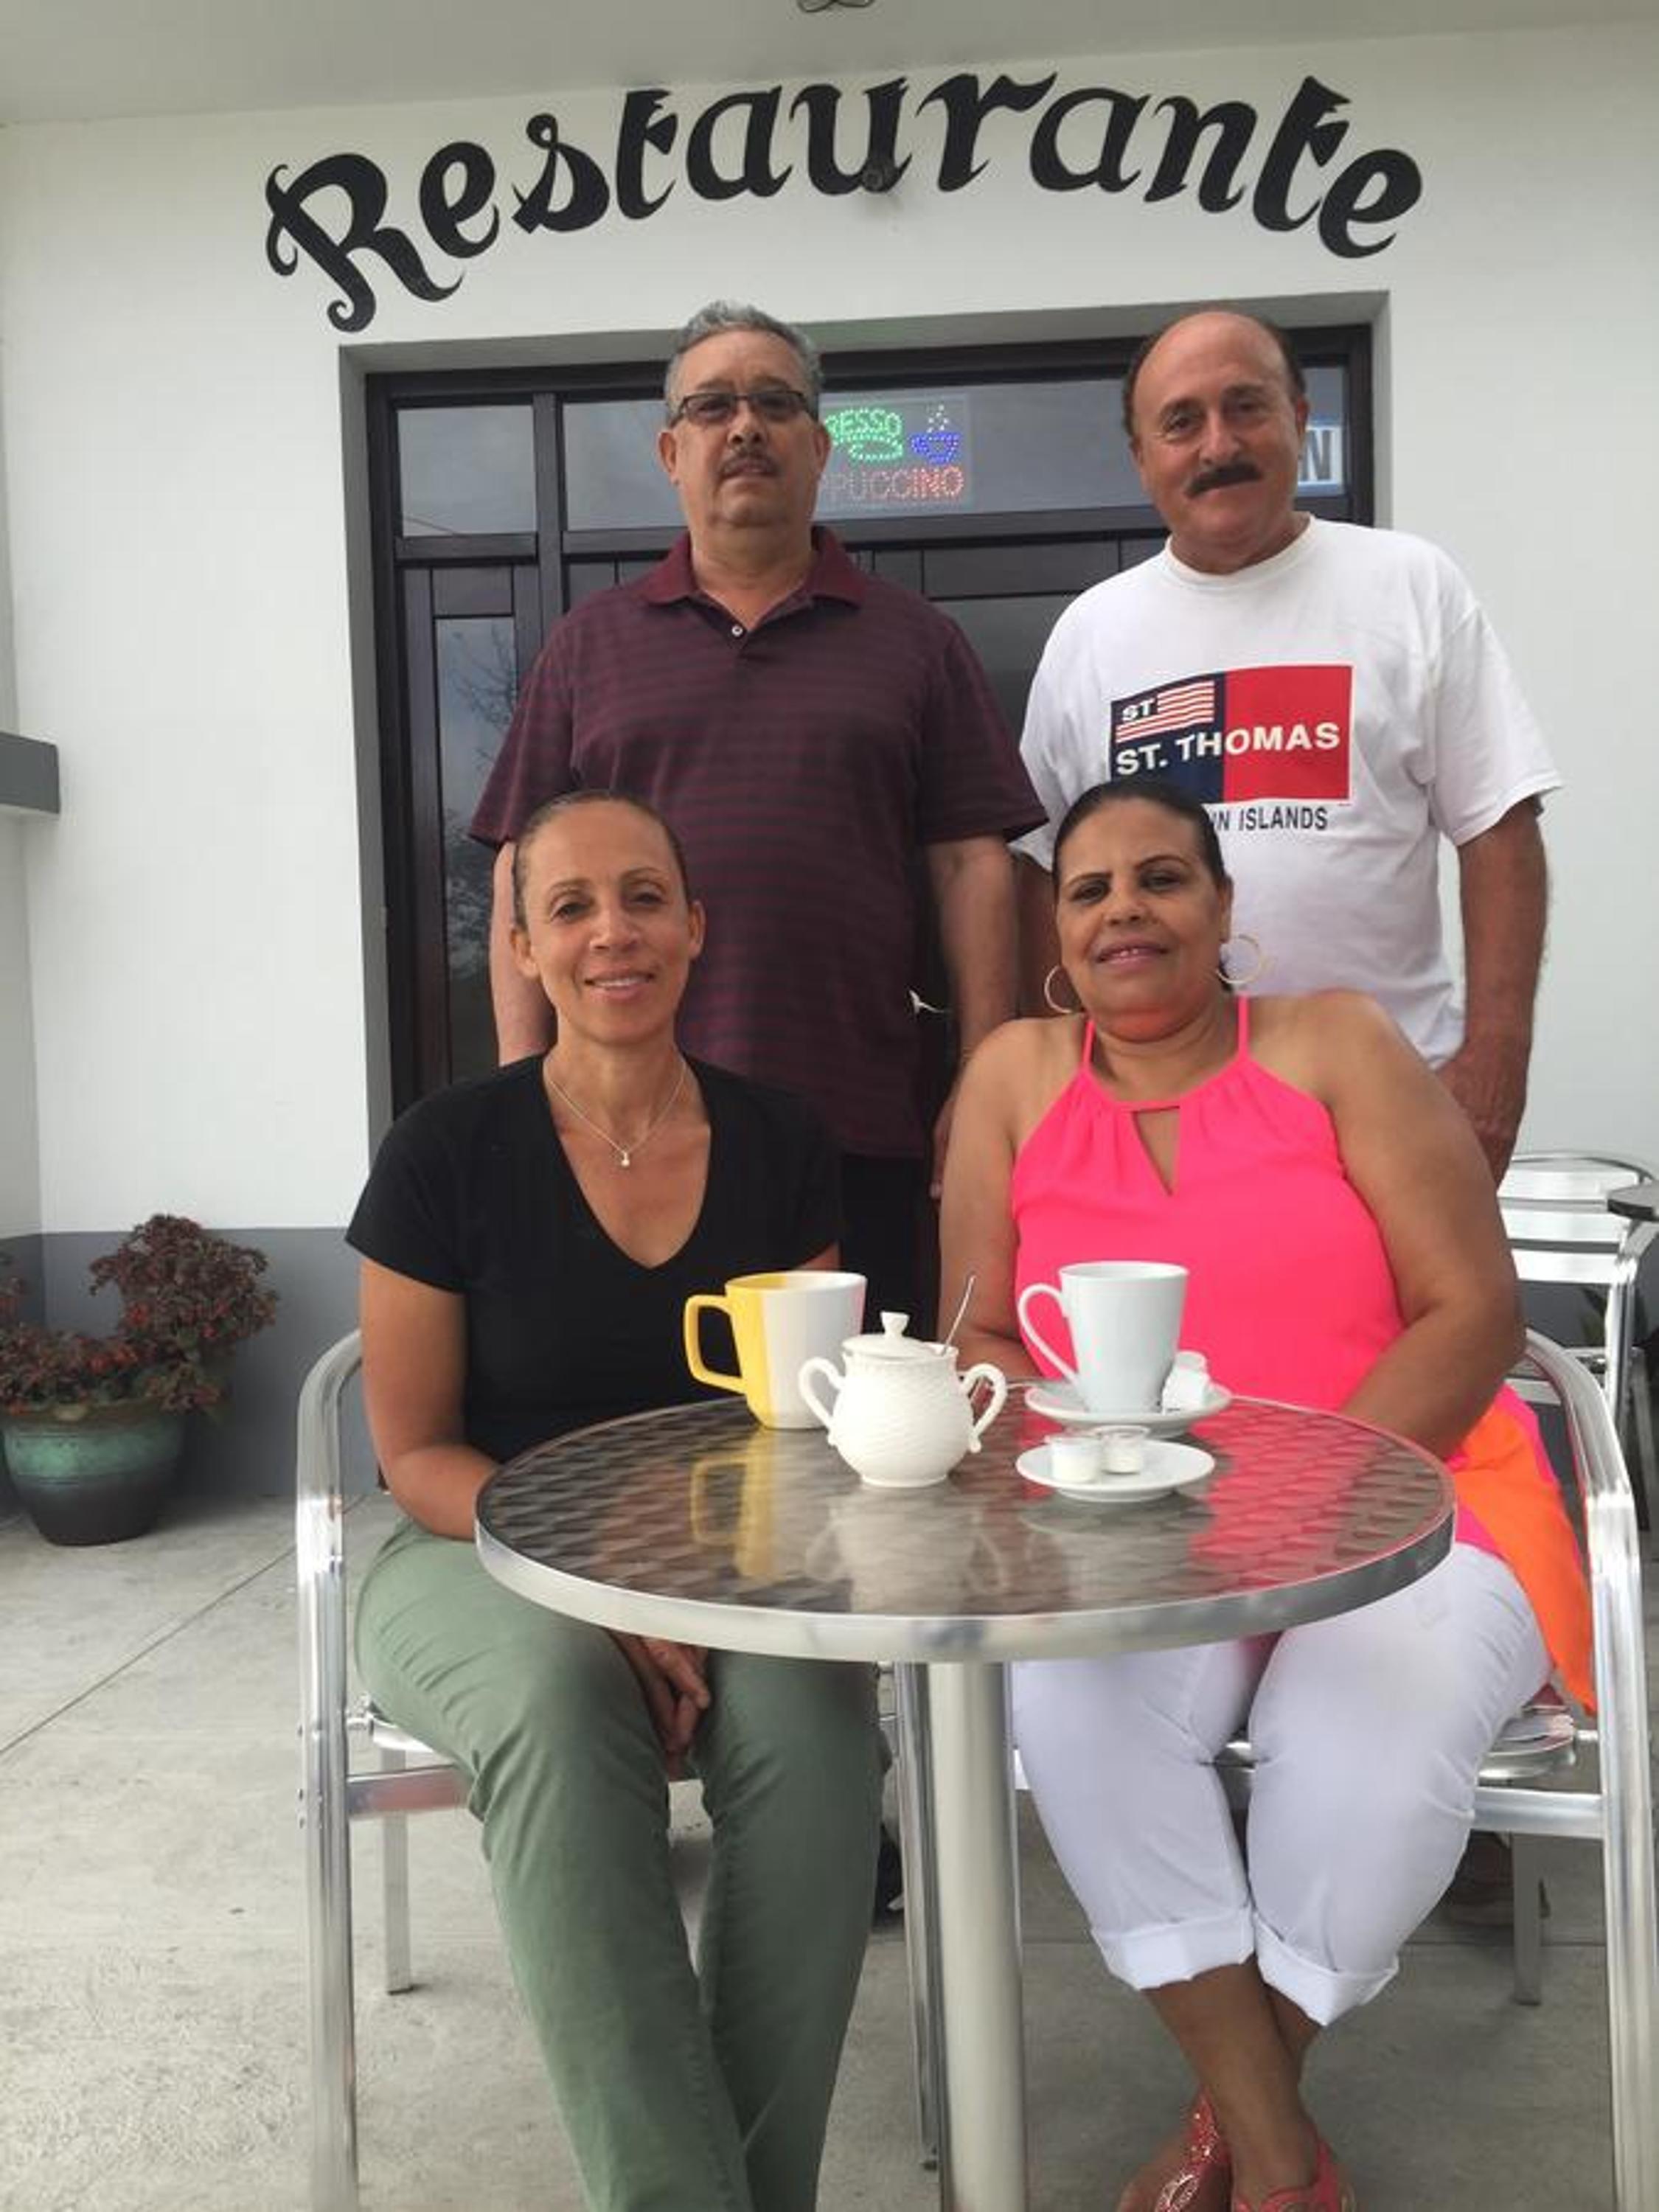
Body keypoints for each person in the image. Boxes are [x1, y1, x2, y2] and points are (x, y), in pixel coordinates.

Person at [941, 778, 1590, 2212]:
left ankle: (1225, 2131)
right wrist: (1086, 1473)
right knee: (1073, 1709)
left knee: (1371, 1744)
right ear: (1058, 932)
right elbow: (979, 1336)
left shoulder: (1338, 1043)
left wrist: (1309, 1498)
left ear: (1225, 907)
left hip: (1414, 1504)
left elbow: (1474, 1310)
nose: (1125, 909)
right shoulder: (1012, 1078)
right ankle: (1281, 2157)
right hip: (1135, 1528)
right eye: (1090, 888)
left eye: (1162, 878)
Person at [349, 789, 884, 2212]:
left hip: (735, 1562)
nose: (612, 934)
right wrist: (601, 1593)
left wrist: (695, 1587)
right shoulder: (446, 1151)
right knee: (556, 1702)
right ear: (523, 947)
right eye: (570, 907)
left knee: (821, 1741)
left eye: (644, 897)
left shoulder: (780, 1141)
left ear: (696, 927)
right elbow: (414, 1452)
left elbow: (805, 1421)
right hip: (477, 1551)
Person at [472, 299, 1042, 1321]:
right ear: (670, 451)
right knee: (642, 1409)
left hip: (856, 1124)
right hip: (622, 1134)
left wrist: (983, 1076)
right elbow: (522, 863)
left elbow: (972, 865)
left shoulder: (916, 643)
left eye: (776, 404)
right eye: (713, 406)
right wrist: (521, 1090)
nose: (744, 427)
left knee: (853, 1408)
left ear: (819, 448)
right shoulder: (588, 647)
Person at [1015, 307, 1557, 1180]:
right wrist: (1067, 1082)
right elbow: (1041, 873)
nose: (1218, 445)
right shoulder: (1091, 634)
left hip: (1391, 1106)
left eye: (1246, 407)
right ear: (1142, 458)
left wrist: (1495, 1066)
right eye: (1181, 423)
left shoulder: (1409, 586)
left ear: (1300, 419)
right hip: (1159, 1123)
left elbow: (1499, 828)